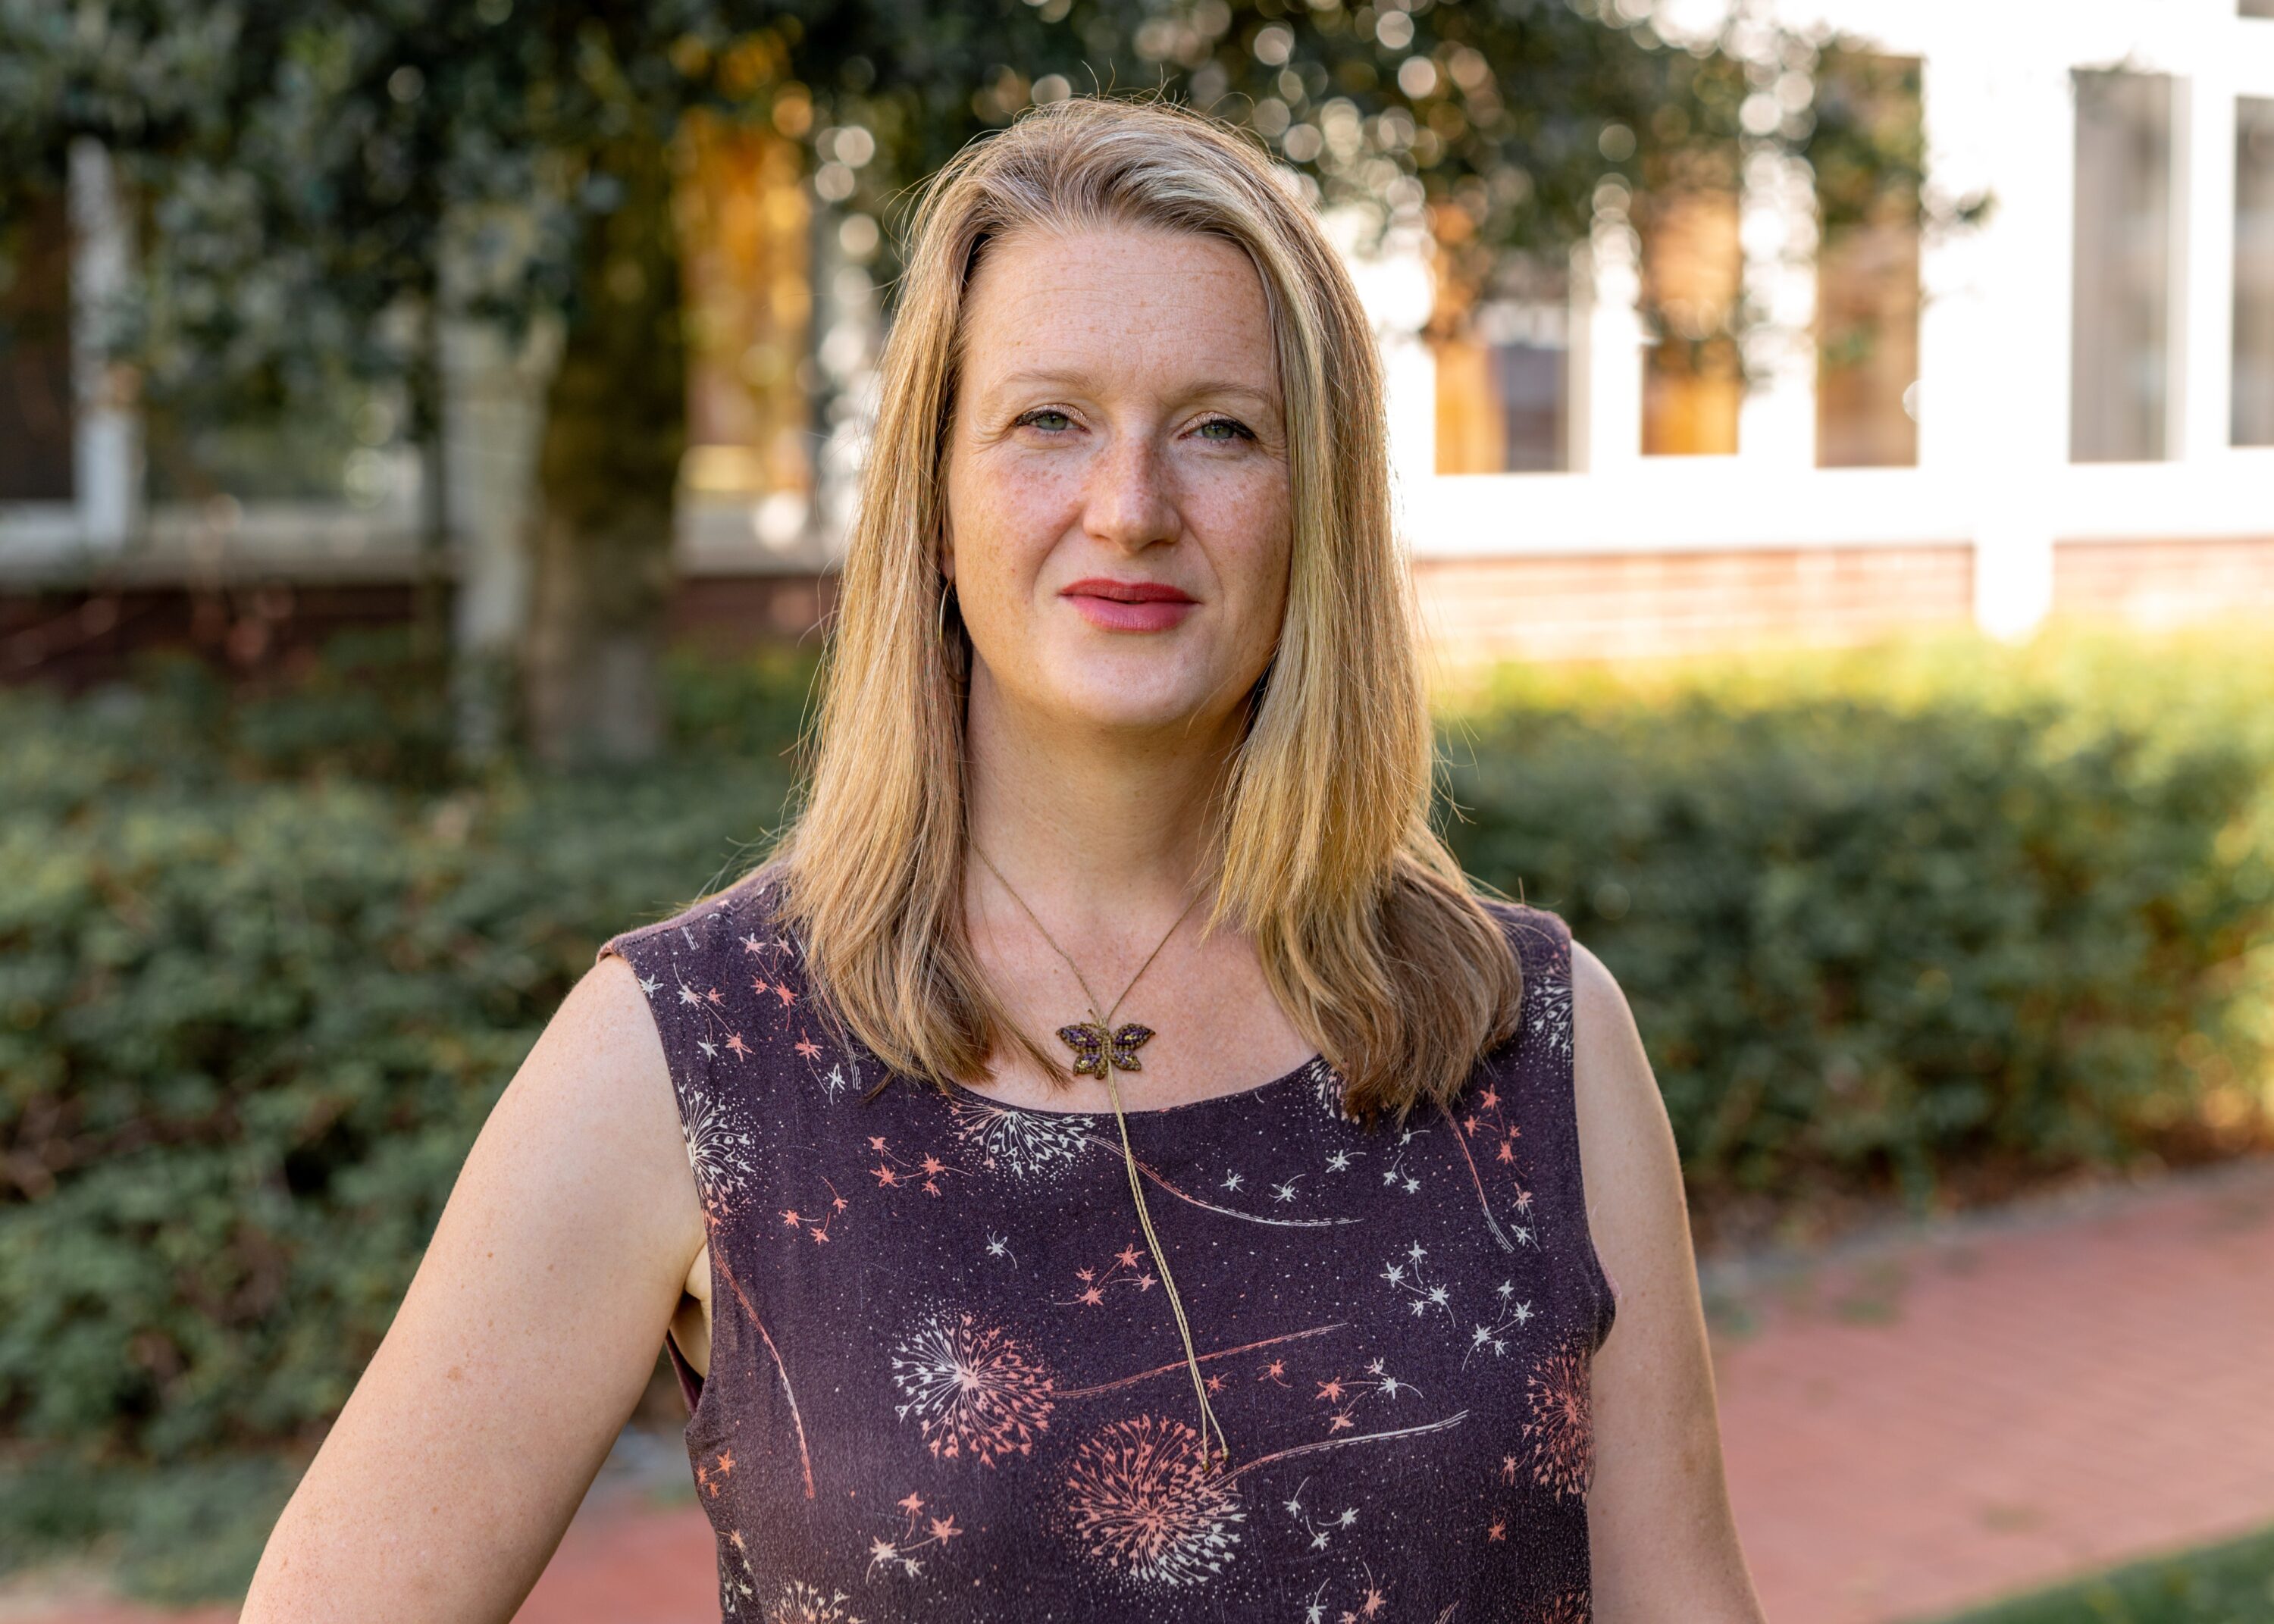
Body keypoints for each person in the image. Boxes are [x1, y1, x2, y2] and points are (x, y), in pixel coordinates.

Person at [242, 93, 1762, 1622]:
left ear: (1321, 504)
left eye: (1222, 429)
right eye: (1049, 421)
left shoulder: (1535, 1038)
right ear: (935, 489)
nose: (1131, 508)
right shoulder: (698, 1049)